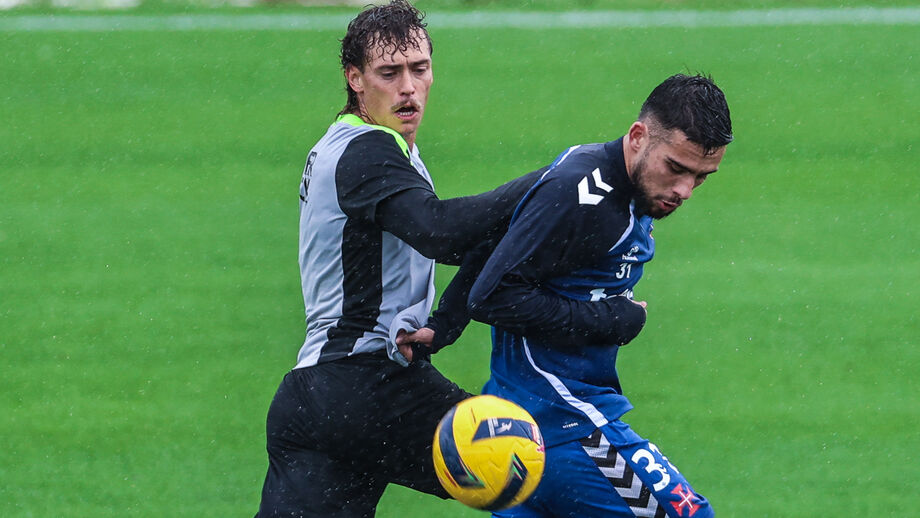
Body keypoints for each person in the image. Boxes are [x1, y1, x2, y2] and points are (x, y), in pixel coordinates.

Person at [254, 2, 541, 517]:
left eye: (420, 69)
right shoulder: (366, 151)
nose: (408, 87)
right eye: (390, 73)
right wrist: (553, 181)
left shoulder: (374, 147)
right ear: (356, 79)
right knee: (524, 468)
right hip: (363, 386)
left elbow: (469, 241)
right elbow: (442, 233)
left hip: (316, 399)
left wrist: (445, 324)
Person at [466, 74, 733, 518]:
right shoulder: (582, 194)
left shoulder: (630, 194)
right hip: (564, 423)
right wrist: (615, 319)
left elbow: (499, 247)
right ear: (637, 136)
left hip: (522, 432)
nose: (685, 190)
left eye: (701, 177)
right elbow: (495, 294)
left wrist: (440, 326)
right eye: (676, 168)